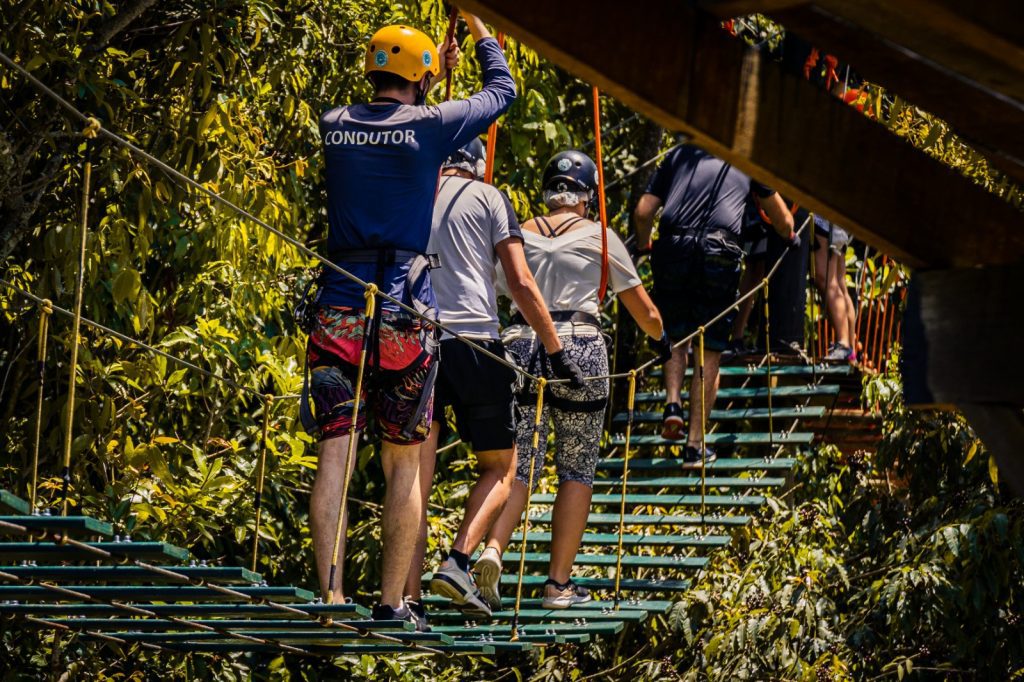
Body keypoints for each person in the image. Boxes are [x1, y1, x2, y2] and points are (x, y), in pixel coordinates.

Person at [307, 13, 515, 627]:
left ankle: (331, 600)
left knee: (334, 458)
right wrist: (479, 32)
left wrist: (430, 84)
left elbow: (393, 132)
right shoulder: (430, 127)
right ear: (420, 81)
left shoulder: (334, 124)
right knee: (403, 463)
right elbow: (500, 95)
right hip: (401, 316)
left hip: (338, 310)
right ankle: (394, 603)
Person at [399, 139, 582, 624]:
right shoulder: (489, 197)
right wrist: (555, 350)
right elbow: (519, 282)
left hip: (418, 344)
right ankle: (458, 560)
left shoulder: (414, 192)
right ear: (478, 166)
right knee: (503, 467)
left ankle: (407, 600)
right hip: (476, 344)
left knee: (415, 478)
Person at [481, 150, 670, 610]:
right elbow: (642, 311)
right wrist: (663, 338)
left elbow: (494, 286)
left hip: (522, 346)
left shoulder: (516, 233)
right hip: (582, 346)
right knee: (577, 467)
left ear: (548, 193)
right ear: (587, 197)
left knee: (518, 463)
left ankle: (491, 550)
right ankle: (558, 584)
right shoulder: (601, 239)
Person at [633, 144, 796, 465]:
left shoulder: (679, 154)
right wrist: (789, 235)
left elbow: (642, 211)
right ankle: (694, 446)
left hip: (673, 246)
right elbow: (783, 220)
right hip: (718, 251)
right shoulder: (744, 158)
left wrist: (643, 246)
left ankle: (672, 402)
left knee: (676, 336)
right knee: (709, 352)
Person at [812, 214, 857, 361]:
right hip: (838, 219)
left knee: (826, 279)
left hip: (825, 218)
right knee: (838, 282)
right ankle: (850, 349)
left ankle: (844, 343)